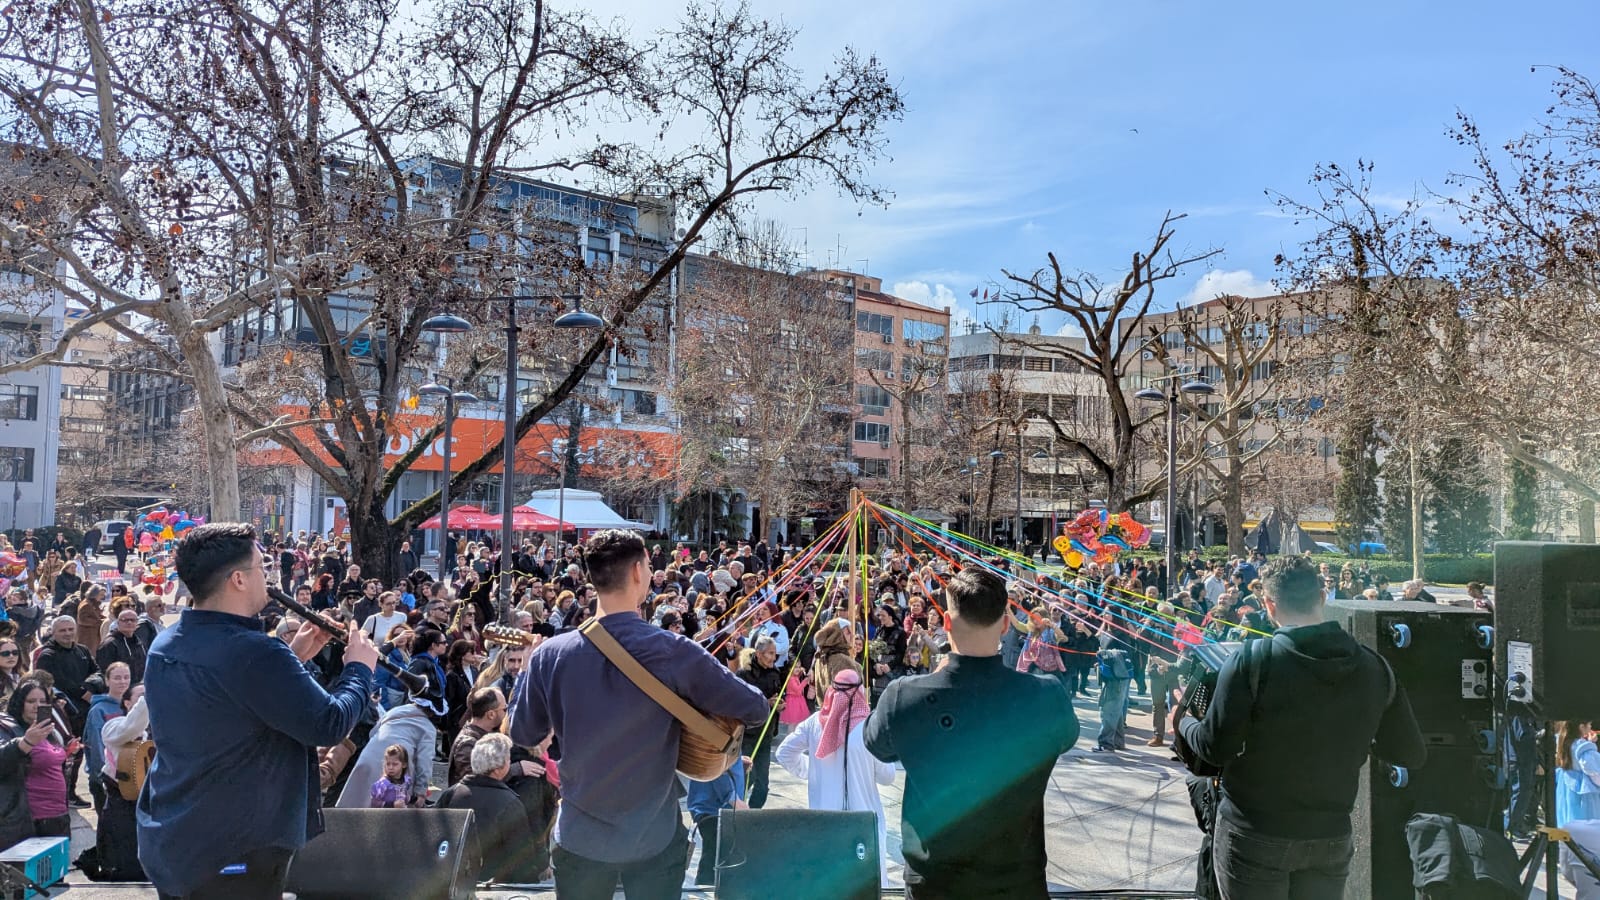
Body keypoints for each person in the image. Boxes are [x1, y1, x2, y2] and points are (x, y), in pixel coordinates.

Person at [508, 529, 770, 899]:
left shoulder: (551, 655)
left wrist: (526, 670)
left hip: (581, 834)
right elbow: (756, 707)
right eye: (648, 566)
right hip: (653, 836)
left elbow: (523, 734)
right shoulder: (673, 650)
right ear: (636, 571)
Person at [137, 523, 379, 900]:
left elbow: (227, 704)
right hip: (236, 846)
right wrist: (360, 669)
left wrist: (293, 659)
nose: (268, 576)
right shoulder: (255, 652)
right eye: (262, 567)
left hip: (177, 834)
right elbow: (329, 724)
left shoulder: (167, 642)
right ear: (238, 579)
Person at [1176, 555, 1426, 900]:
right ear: (1322, 597)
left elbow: (1214, 749)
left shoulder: (1252, 660)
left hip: (1254, 832)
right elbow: (1410, 753)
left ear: (1269, 604)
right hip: (1330, 835)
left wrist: (1184, 719)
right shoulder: (1376, 667)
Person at [863, 566, 1080, 899]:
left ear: (946, 623)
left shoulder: (903, 695)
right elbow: (1066, 737)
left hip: (935, 883)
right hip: (1018, 881)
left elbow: (876, 743)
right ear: (1005, 624)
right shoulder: (1046, 695)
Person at [776, 666, 898, 884]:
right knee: (867, 885)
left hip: (824, 822)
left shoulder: (814, 723)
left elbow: (784, 753)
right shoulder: (871, 728)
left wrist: (811, 770)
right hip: (864, 823)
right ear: (860, 692)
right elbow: (887, 777)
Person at [435, 733, 536, 883]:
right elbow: (522, 858)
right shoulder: (509, 802)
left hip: (450, 882)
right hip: (493, 886)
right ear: (498, 768)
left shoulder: (451, 794)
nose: (510, 763)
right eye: (508, 760)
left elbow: (433, 838)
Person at [334, 685, 442, 809]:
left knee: (355, 808)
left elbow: (373, 733)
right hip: (396, 766)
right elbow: (425, 761)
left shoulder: (394, 711)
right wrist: (421, 792)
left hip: (369, 759)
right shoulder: (428, 728)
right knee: (388, 814)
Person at [35, 615, 97, 807]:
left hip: (84, 712)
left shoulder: (82, 650)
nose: (67, 633)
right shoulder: (47, 655)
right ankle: (59, 795)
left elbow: (97, 672)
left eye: (70, 629)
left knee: (77, 755)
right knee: (61, 756)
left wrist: (90, 688)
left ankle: (69, 793)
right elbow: (56, 682)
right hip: (62, 715)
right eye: (62, 630)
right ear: (53, 632)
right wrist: (83, 692)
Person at [96, 683, 148, 880]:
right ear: (127, 703)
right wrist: (149, 697)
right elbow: (131, 727)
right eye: (140, 696)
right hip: (120, 805)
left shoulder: (157, 728)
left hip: (146, 805)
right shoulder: (113, 727)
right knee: (124, 861)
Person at [735, 635, 783, 809]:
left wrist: (779, 704)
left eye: (775, 654)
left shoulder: (774, 673)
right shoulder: (744, 674)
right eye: (770, 653)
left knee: (763, 784)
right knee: (748, 776)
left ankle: (753, 814)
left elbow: (778, 694)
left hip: (766, 733)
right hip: (748, 735)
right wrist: (765, 703)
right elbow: (740, 703)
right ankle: (736, 810)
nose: (773, 658)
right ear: (759, 653)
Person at [449, 687, 506, 788]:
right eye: (504, 709)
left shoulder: (488, 733)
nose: (507, 713)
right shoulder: (467, 743)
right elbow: (475, 780)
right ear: (491, 714)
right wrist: (516, 769)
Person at [97, 609, 148, 684]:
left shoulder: (139, 643)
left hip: (137, 686)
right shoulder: (109, 644)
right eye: (125, 620)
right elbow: (103, 672)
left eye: (133, 620)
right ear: (118, 623)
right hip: (118, 687)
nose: (129, 622)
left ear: (137, 623)